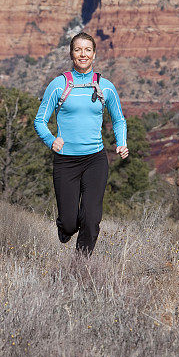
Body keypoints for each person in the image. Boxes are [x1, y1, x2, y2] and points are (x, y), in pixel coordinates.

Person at [34, 31, 129, 256]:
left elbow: (119, 119)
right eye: (78, 50)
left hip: (95, 159)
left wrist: (121, 142)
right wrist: (51, 140)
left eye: (87, 50)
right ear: (71, 54)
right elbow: (39, 121)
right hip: (66, 161)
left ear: (94, 54)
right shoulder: (58, 85)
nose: (82, 54)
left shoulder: (105, 87)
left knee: (91, 217)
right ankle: (65, 227)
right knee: (69, 223)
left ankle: (81, 264)